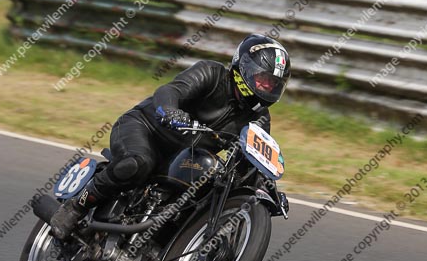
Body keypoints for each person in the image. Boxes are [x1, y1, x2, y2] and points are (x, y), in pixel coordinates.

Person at [50, 35, 291, 240]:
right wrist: (171, 112)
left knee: (205, 193)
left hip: (184, 158)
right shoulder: (212, 73)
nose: (267, 88)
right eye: (264, 80)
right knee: (138, 163)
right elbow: (171, 90)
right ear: (245, 69)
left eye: (273, 84)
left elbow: (255, 158)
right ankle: (77, 206)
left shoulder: (259, 118)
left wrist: (269, 188)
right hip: (145, 129)